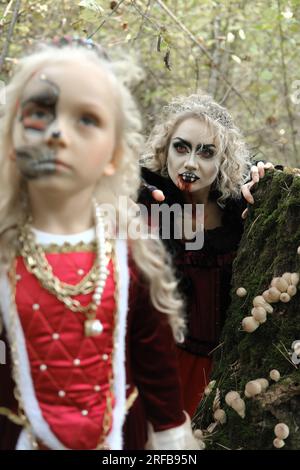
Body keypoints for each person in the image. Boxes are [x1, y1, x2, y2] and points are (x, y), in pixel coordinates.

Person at [0, 38, 199, 450]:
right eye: (39, 113)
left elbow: (156, 368)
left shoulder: (133, 256)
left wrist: (169, 436)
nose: (57, 133)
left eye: (86, 119)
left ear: (113, 152)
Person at [138, 93, 273, 417]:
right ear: (164, 149)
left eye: (206, 152)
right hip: (154, 370)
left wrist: (267, 181)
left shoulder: (244, 211)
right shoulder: (144, 205)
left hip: (228, 375)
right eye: (181, 147)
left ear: (223, 159)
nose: (190, 163)